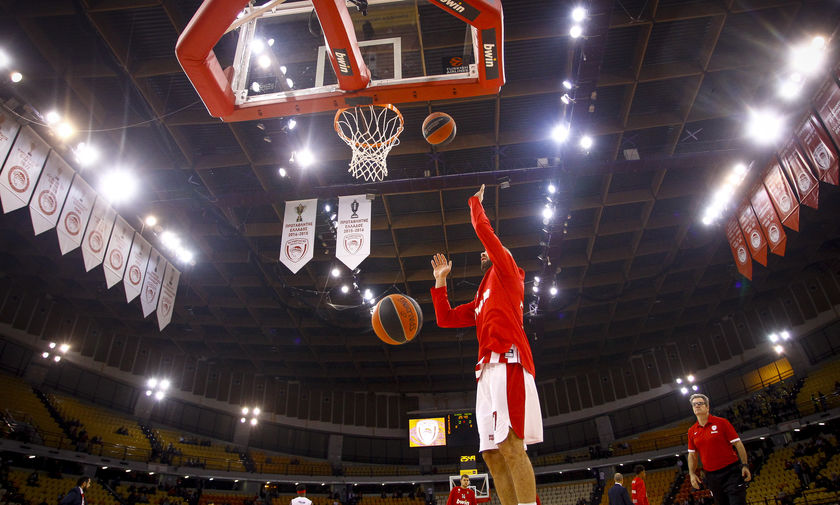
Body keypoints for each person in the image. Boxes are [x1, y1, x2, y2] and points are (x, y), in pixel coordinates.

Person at [431, 184, 542, 505]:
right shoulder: (481, 296)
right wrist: (440, 281)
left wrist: (474, 203)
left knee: (511, 445)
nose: (485, 252)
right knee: (492, 455)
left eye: (490, 250)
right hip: (485, 374)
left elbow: (484, 232)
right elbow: (446, 319)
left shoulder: (509, 273)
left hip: (509, 361)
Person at [686, 394, 751, 505]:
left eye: (700, 403)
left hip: (731, 472)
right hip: (712, 477)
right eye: (694, 404)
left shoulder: (722, 422)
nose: (696, 406)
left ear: (707, 407)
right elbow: (692, 455)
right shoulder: (692, 431)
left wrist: (745, 465)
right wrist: (692, 474)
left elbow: (738, 444)